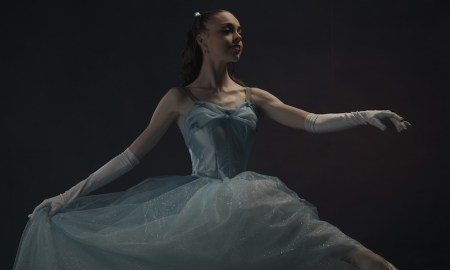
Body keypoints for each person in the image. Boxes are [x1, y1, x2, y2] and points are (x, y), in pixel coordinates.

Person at [14, 9, 410, 270]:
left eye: (240, 31)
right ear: (202, 39)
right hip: (201, 213)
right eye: (227, 30)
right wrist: (65, 197)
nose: (238, 37)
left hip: (259, 206)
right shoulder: (180, 98)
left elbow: (310, 122)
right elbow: (128, 157)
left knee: (369, 262)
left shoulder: (253, 96)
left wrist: (363, 115)